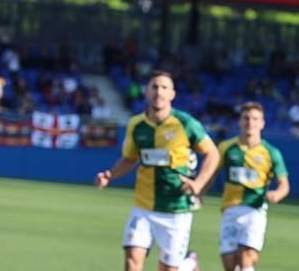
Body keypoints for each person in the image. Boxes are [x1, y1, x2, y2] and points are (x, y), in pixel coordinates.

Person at [94, 70, 221, 271]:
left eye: (164, 88)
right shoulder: (136, 125)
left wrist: (198, 183)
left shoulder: (185, 124)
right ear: (146, 92)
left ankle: (188, 264)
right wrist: (110, 175)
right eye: (154, 87)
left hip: (175, 208)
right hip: (143, 206)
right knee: (131, 262)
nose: (158, 92)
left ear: (172, 94)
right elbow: (129, 158)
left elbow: (213, 153)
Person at [216, 102, 289, 271]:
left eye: (255, 119)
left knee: (246, 256)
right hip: (230, 208)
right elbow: (210, 173)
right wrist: (199, 192)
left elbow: (284, 184)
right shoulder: (226, 147)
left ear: (262, 123)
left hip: (255, 210)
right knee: (230, 264)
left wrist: (277, 194)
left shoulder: (271, 152)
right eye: (246, 118)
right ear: (240, 121)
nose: (250, 122)